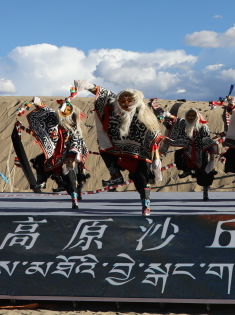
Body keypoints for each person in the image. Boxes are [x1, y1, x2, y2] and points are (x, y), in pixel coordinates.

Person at [76, 80, 162, 216]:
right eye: (123, 101)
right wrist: (90, 87)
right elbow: (105, 95)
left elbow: (154, 135)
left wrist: (156, 157)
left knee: (141, 179)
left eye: (130, 101)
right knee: (104, 147)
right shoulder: (114, 108)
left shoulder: (144, 115)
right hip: (117, 148)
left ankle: (146, 205)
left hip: (139, 152)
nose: (126, 103)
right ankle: (115, 175)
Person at [162, 108, 218, 201]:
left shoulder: (203, 127)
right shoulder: (185, 124)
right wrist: (168, 115)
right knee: (179, 156)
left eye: (193, 115)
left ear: (197, 117)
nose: (190, 117)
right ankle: (187, 170)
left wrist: (211, 154)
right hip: (188, 150)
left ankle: (205, 193)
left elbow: (207, 139)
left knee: (204, 173)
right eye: (188, 115)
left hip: (201, 151)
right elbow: (177, 120)